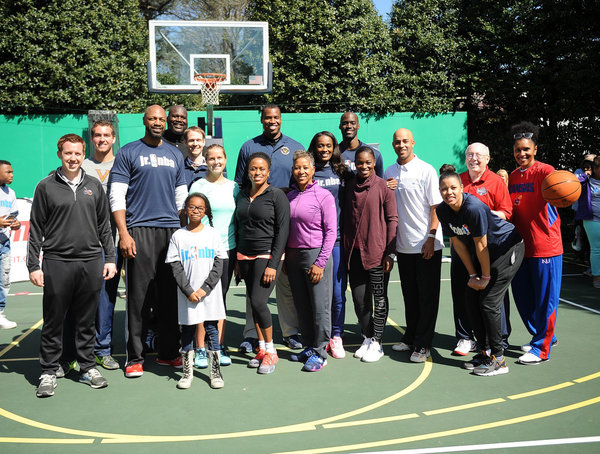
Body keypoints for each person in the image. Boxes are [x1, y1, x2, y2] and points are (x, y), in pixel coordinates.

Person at [28, 134, 117, 397]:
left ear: (83, 155)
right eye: (68, 153)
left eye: (78, 153)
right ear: (60, 155)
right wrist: (34, 264)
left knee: (86, 320)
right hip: (57, 262)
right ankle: (48, 371)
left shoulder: (93, 186)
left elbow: (104, 226)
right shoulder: (45, 186)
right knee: (54, 320)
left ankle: (88, 366)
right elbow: (36, 230)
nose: (73, 158)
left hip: (91, 261)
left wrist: (110, 259)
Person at [109, 105, 188, 378]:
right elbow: (117, 197)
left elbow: (181, 199)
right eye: (152, 118)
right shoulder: (128, 152)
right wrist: (124, 233)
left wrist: (183, 233)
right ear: (144, 121)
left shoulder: (175, 153)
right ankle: (135, 357)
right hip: (139, 231)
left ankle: (169, 353)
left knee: (169, 297)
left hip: (170, 233)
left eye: (161, 119)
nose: (157, 122)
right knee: (138, 299)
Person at [437, 167, 524, 376]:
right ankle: (485, 352)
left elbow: (482, 244)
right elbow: (457, 245)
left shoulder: (473, 208)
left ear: (461, 188)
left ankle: (499, 359)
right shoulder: (442, 210)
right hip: (484, 253)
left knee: (488, 302)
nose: (449, 192)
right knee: (470, 298)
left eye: (453, 188)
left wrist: (484, 277)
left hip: (507, 248)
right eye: (444, 189)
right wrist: (472, 275)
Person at [234, 104, 303, 351]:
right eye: (267, 118)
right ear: (261, 119)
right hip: (256, 224)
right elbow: (240, 184)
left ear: (281, 120)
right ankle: (252, 334)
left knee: (283, 282)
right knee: (255, 289)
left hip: (284, 221)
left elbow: (302, 180)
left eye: (275, 117)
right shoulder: (248, 147)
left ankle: (290, 331)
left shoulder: (295, 147)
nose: (271, 121)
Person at [384, 129, 443, 363]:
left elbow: (435, 207)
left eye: (405, 141)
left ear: (413, 143)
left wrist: (431, 237)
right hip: (403, 246)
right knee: (410, 295)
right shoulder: (389, 171)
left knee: (427, 297)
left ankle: (423, 344)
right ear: (393, 145)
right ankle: (410, 336)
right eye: (397, 142)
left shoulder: (426, 170)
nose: (401, 145)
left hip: (426, 245)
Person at [451, 143, 513, 356]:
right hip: (462, 247)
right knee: (462, 293)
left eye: (478, 155)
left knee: (494, 296)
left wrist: (480, 217)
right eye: (469, 154)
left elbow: (506, 213)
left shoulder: (496, 182)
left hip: (489, 248)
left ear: (488, 159)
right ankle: (465, 337)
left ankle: (500, 339)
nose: (473, 158)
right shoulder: (458, 181)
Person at [508, 121, 561, 365]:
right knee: (523, 297)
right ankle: (541, 335)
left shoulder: (545, 171)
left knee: (545, 299)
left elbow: (562, 186)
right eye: (518, 150)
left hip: (545, 247)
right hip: (521, 248)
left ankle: (542, 348)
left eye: (526, 149)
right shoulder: (513, 177)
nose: (522, 154)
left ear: (535, 150)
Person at [235, 152, 290, 374]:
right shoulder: (241, 195)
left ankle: (271, 351)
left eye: (261, 169)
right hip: (244, 256)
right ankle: (260, 348)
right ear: (248, 171)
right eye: (253, 169)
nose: (257, 173)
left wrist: (273, 264)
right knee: (253, 302)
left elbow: (283, 231)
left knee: (259, 302)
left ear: (268, 172)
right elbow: (238, 228)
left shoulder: (276, 195)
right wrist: (238, 260)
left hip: (266, 256)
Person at [166, 193, 226, 389]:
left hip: (209, 294)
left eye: (200, 208)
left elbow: (219, 264)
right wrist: (188, 290)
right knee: (188, 331)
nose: (195, 211)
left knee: (211, 330)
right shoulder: (178, 235)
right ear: (185, 210)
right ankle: (187, 372)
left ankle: (215, 372)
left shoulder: (213, 234)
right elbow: (175, 265)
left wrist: (205, 288)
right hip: (188, 295)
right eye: (192, 207)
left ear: (206, 211)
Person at [344, 146, 398, 363]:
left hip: (377, 255)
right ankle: (367, 336)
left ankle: (377, 341)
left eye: (368, 162)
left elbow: (393, 220)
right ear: (354, 164)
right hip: (354, 254)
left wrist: (390, 253)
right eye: (360, 162)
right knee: (359, 300)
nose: (364, 166)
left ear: (374, 163)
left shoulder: (384, 187)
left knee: (379, 297)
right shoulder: (349, 185)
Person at [286, 150, 337, 372]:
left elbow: (331, 232)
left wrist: (320, 262)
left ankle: (320, 351)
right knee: (302, 306)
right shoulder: (290, 196)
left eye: (305, 167)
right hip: (294, 258)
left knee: (320, 307)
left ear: (313, 170)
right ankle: (308, 346)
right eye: (297, 167)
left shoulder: (323, 196)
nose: (301, 171)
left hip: (316, 255)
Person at [189, 144, 239, 367]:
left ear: (226, 159)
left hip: (228, 250)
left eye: (219, 157)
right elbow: (190, 217)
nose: (216, 162)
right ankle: (200, 348)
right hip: (203, 250)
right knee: (202, 297)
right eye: (211, 158)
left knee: (220, 300)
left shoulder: (234, 187)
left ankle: (217, 346)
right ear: (205, 161)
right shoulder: (198, 186)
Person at [81, 120, 122, 370]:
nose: (102, 139)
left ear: (114, 138)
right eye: (97, 135)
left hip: (121, 241)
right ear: (91, 139)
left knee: (118, 298)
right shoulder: (81, 165)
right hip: (90, 245)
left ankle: (108, 347)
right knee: (93, 299)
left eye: (106, 135)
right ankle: (92, 349)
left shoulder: (124, 162)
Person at [308, 131, 352, 358]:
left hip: (335, 241)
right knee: (316, 294)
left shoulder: (342, 171)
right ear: (314, 148)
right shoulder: (308, 171)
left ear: (333, 147)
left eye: (328, 145)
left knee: (336, 293)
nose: (324, 149)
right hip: (312, 241)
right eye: (319, 146)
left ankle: (336, 335)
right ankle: (317, 335)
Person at [0, 160, 20, 329]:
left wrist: (16, 223)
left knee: (4, 279)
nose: (12, 175)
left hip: (4, 242)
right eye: (8, 172)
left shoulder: (10, 193)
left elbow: (14, 216)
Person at [575, 155, 600, 288]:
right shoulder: (586, 180)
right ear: (595, 168)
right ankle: (597, 277)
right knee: (596, 248)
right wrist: (584, 175)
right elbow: (572, 180)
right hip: (592, 219)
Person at [338, 112, 384, 177]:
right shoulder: (334, 154)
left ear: (358, 126)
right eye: (345, 123)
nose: (349, 126)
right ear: (340, 126)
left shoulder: (375, 154)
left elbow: (380, 183)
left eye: (353, 123)